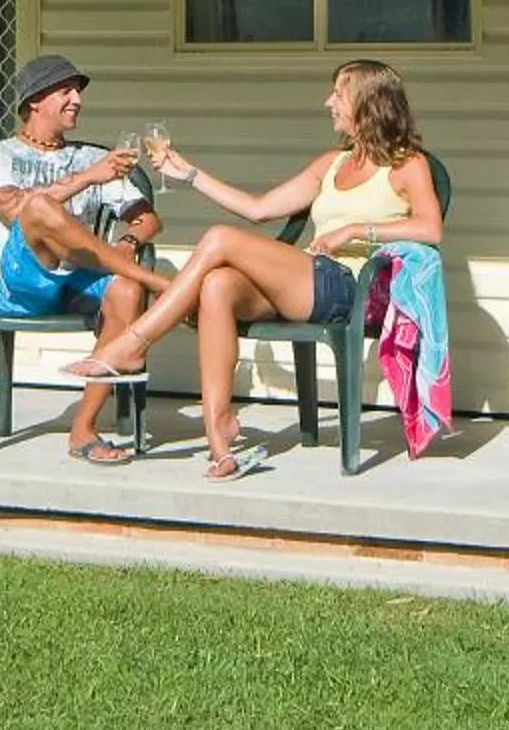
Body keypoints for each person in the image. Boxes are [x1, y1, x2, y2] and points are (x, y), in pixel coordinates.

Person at [66, 59, 444, 480]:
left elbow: (430, 228)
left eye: (339, 93)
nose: (328, 102)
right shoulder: (332, 163)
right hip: (311, 279)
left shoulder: (408, 164)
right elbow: (259, 209)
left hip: (352, 289)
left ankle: (135, 343)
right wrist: (188, 174)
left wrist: (357, 229)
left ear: (369, 101)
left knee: (220, 239)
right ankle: (219, 435)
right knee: (217, 285)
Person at [0, 53, 169, 466]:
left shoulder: (89, 156)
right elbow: (15, 211)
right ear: (35, 102)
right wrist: (87, 179)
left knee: (127, 289)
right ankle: (162, 286)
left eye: (77, 91)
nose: (77, 99)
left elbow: (148, 219)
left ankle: (84, 429)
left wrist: (128, 242)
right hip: (21, 285)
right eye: (65, 91)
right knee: (41, 211)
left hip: (80, 282)